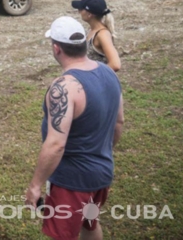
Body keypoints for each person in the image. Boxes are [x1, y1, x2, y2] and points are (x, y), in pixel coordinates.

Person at [25, 16, 124, 240]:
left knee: (63, 234)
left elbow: (56, 144)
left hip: (71, 181)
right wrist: (101, 152)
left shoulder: (64, 87)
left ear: (56, 48)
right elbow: (119, 122)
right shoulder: (108, 72)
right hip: (101, 173)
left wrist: (35, 185)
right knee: (90, 224)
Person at [72, 0, 121, 72]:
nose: (79, 11)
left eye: (81, 9)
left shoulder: (102, 34)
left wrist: (93, 76)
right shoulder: (91, 30)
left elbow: (115, 64)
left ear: (89, 14)